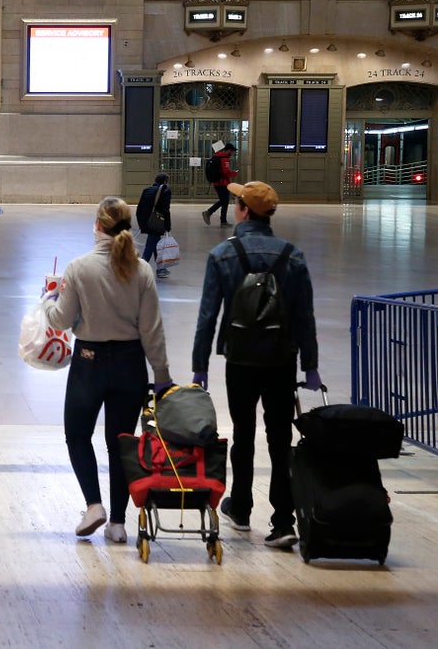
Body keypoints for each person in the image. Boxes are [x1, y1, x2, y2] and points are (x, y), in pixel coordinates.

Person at [192, 180, 322, 550]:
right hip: (282, 360)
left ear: (244, 211)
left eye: (237, 202)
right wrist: (310, 365)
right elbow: (304, 316)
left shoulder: (223, 254)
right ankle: (283, 520)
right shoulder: (292, 256)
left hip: (241, 359)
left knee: (243, 433)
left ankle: (242, 506)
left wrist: (200, 365)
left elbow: (207, 316)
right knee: (281, 438)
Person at [43, 197, 171, 545]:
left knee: (78, 434)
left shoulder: (79, 268)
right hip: (131, 365)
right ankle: (118, 523)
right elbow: (152, 329)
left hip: (89, 362)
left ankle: (93, 505)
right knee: (121, 443)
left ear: (98, 226)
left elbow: (62, 321)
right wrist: (161, 375)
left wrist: (49, 299)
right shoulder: (141, 269)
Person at [135, 173, 172, 278]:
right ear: (165, 181)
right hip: (157, 222)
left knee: (156, 243)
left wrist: (141, 223)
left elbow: (139, 208)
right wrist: (167, 226)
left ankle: (161, 268)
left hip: (146, 221)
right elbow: (165, 210)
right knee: (151, 244)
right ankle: (141, 267)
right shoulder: (165, 191)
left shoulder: (146, 190)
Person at [201, 141, 238, 227]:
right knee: (224, 200)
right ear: (229, 150)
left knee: (224, 201)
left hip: (217, 183)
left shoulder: (217, 157)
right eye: (232, 151)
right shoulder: (224, 159)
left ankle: (223, 221)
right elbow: (226, 173)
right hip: (222, 183)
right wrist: (234, 173)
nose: (233, 153)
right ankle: (209, 212)